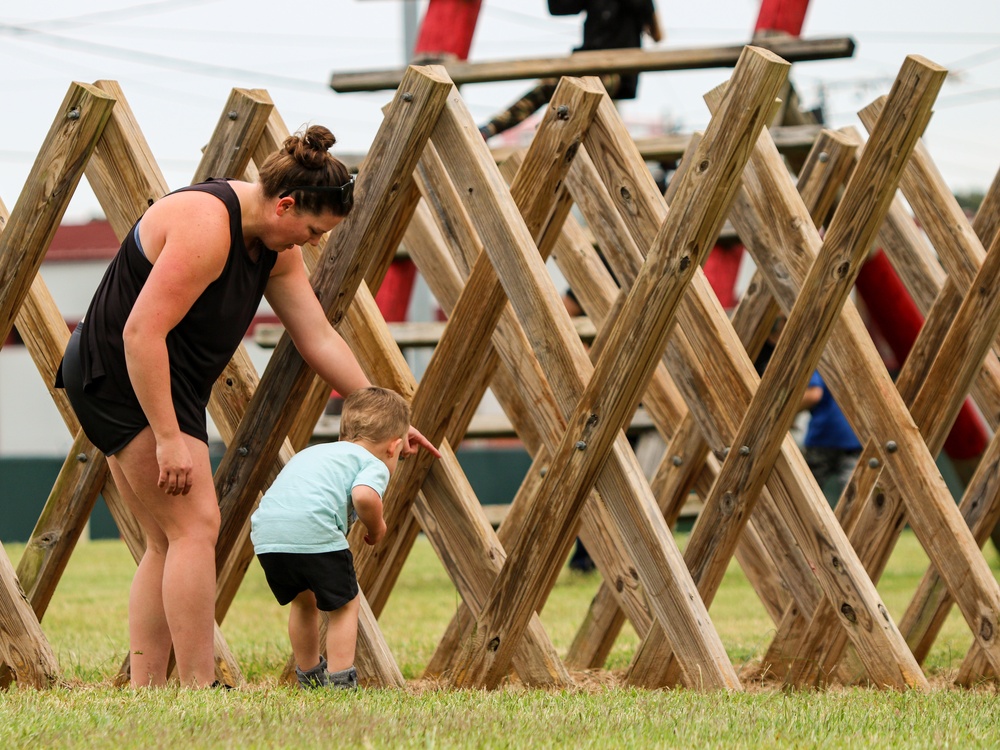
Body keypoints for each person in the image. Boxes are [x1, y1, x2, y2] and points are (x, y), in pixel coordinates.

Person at [55, 125, 439, 689]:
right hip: (119, 373)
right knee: (196, 527)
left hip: (165, 378)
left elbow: (317, 338)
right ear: (284, 203)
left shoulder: (272, 245)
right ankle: (199, 687)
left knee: (169, 537)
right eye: (310, 230)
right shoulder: (206, 225)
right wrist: (166, 437)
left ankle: (147, 689)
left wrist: (385, 415)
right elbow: (140, 334)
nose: (309, 243)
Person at [250, 386, 408, 689]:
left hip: (269, 535)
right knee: (345, 606)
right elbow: (363, 496)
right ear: (394, 447)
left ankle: (309, 678)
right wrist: (377, 528)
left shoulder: (315, 452)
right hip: (316, 531)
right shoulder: (373, 463)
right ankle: (341, 683)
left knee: (302, 603)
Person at [478, 0, 662, 140]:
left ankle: (550, 131)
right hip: (585, 67)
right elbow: (558, 6)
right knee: (551, 87)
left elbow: (657, 34)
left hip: (615, 74)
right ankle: (492, 129)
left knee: (575, 91)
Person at [800, 370, 862, 504]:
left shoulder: (821, 365)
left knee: (806, 494)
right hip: (852, 438)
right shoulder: (855, 369)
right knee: (854, 496)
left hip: (822, 438)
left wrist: (787, 408)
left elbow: (813, 394)